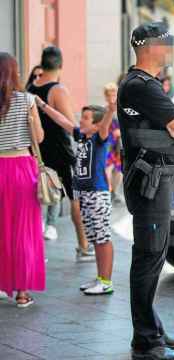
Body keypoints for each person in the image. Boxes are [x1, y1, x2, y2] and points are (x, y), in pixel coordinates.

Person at [118, 22, 174, 360]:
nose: (170, 50)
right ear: (149, 46)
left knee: (155, 254)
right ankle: (147, 340)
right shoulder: (141, 86)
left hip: (155, 179)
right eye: (166, 44)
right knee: (149, 257)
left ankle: (154, 329)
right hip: (150, 182)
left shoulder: (142, 85)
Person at [36, 98, 116, 296]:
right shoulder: (81, 137)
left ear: (96, 125)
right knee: (95, 238)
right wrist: (43, 106)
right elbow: (62, 121)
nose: (81, 121)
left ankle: (106, 281)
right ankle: (100, 278)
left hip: (98, 194)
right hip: (86, 195)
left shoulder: (100, 138)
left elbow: (106, 122)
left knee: (102, 238)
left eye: (86, 118)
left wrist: (111, 109)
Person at [27, 46, 93, 260]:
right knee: (76, 199)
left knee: (35, 202)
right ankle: (83, 247)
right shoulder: (57, 90)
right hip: (61, 154)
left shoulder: (30, 87)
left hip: (37, 152)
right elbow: (70, 124)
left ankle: (34, 250)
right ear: (61, 66)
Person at [0, 52, 46, 308]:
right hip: (21, 168)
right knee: (24, 231)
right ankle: (22, 292)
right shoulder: (26, 100)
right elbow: (38, 137)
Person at [103, 83, 124, 202]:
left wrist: (121, 132)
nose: (111, 97)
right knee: (108, 168)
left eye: (113, 94)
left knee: (119, 169)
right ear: (105, 96)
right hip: (108, 143)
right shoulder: (104, 110)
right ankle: (109, 192)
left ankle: (114, 192)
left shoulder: (122, 109)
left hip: (119, 144)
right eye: (108, 95)